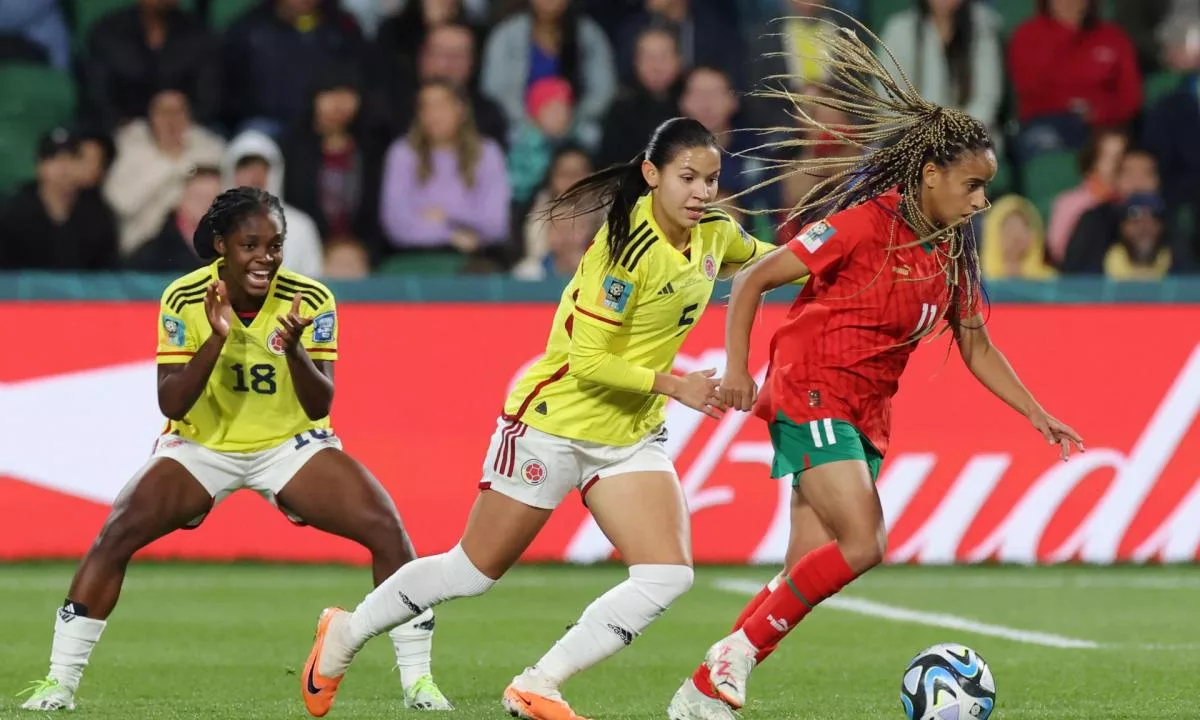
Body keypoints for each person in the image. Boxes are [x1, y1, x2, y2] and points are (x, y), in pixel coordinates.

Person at [665, 19, 1085, 720]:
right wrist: (738, 367)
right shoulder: (863, 223)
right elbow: (753, 280)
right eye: (973, 186)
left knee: (806, 571)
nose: (982, 202)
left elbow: (976, 343)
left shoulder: (950, 251)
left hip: (864, 415)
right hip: (812, 388)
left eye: (988, 189)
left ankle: (703, 693)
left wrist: (1035, 411)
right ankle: (733, 659)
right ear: (931, 175)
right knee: (864, 544)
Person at [298, 117, 782, 720]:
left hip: (627, 435)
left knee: (666, 574)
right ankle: (344, 632)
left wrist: (844, 253)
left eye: (710, 179)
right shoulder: (624, 250)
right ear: (652, 175)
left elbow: (774, 263)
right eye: (687, 178)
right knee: (472, 572)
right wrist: (674, 385)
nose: (702, 193)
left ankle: (539, 683)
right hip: (553, 422)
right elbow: (586, 360)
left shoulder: (714, 235)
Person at [18, 187, 451, 713]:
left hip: (290, 444)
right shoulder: (184, 298)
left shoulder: (310, 300)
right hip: (201, 444)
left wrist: (294, 349)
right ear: (221, 245)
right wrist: (218, 338)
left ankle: (418, 683)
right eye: (251, 245)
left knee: (386, 529)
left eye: (275, 244)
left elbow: (319, 405)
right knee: (117, 533)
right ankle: (59, 683)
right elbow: (170, 398)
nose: (266, 258)